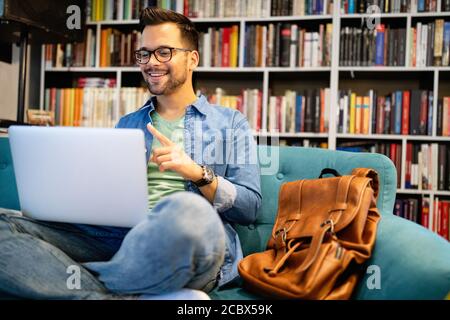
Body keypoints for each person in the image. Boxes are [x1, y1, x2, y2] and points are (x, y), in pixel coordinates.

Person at [0, 7, 261, 300]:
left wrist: (197, 174)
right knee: (3, 224)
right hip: (121, 239)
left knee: (187, 210)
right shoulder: (129, 123)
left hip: (190, 239)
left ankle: (82, 278)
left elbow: (250, 207)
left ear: (192, 59)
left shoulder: (230, 122)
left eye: (164, 52)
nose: (151, 62)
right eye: (144, 54)